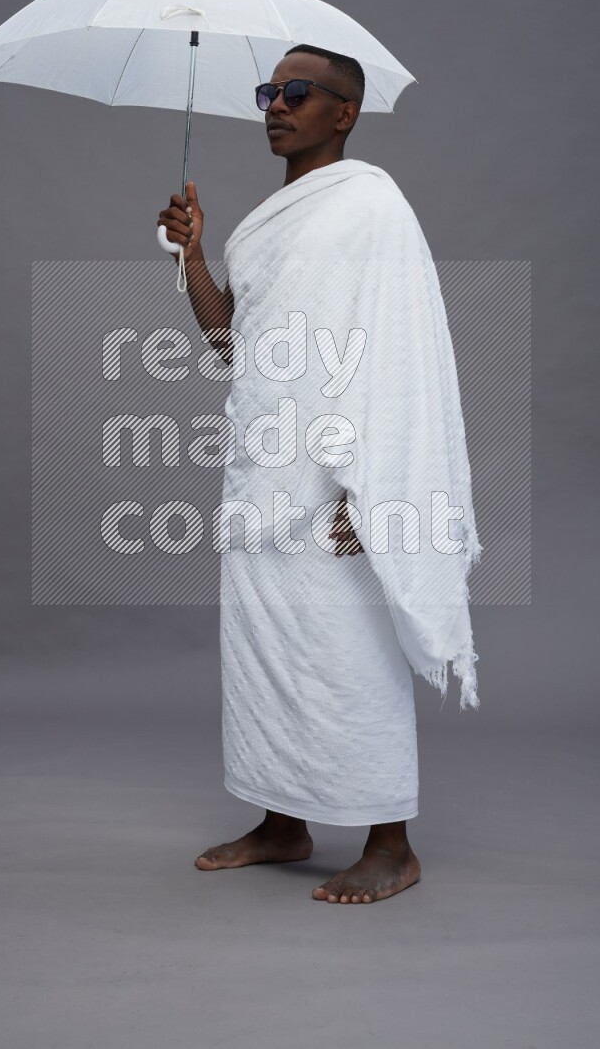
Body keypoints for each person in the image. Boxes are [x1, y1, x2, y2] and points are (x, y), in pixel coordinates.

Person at [156, 44, 424, 904]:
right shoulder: (259, 228)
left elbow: (396, 345)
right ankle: (284, 821)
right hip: (262, 467)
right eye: (269, 91)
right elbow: (234, 343)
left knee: (349, 650)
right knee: (265, 648)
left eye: (297, 93)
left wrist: (370, 482)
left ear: (344, 112)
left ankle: (391, 841)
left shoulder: (370, 204)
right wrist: (190, 256)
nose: (276, 105)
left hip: (336, 470)